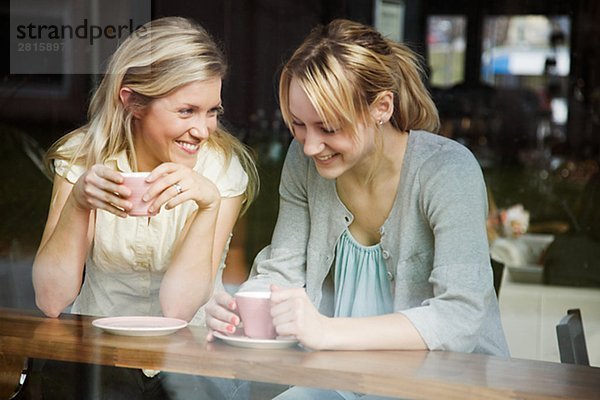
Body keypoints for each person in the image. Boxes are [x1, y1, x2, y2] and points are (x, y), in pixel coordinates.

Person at [206, 18, 509, 398]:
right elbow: (281, 271)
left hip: (441, 384)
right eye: (298, 125)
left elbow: (459, 318)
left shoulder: (447, 171)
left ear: (381, 107)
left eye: (329, 128)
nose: (310, 145)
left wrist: (325, 332)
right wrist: (243, 306)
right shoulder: (304, 163)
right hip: (343, 378)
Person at [31, 16, 258, 399]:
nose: (203, 130)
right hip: (98, 358)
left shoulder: (220, 170)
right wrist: (78, 204)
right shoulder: (82, 160)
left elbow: (178, 311)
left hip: (190, 363)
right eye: (187, 111)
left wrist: (208, 205)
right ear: (133, 100)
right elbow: (51, 300)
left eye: (212, 111)